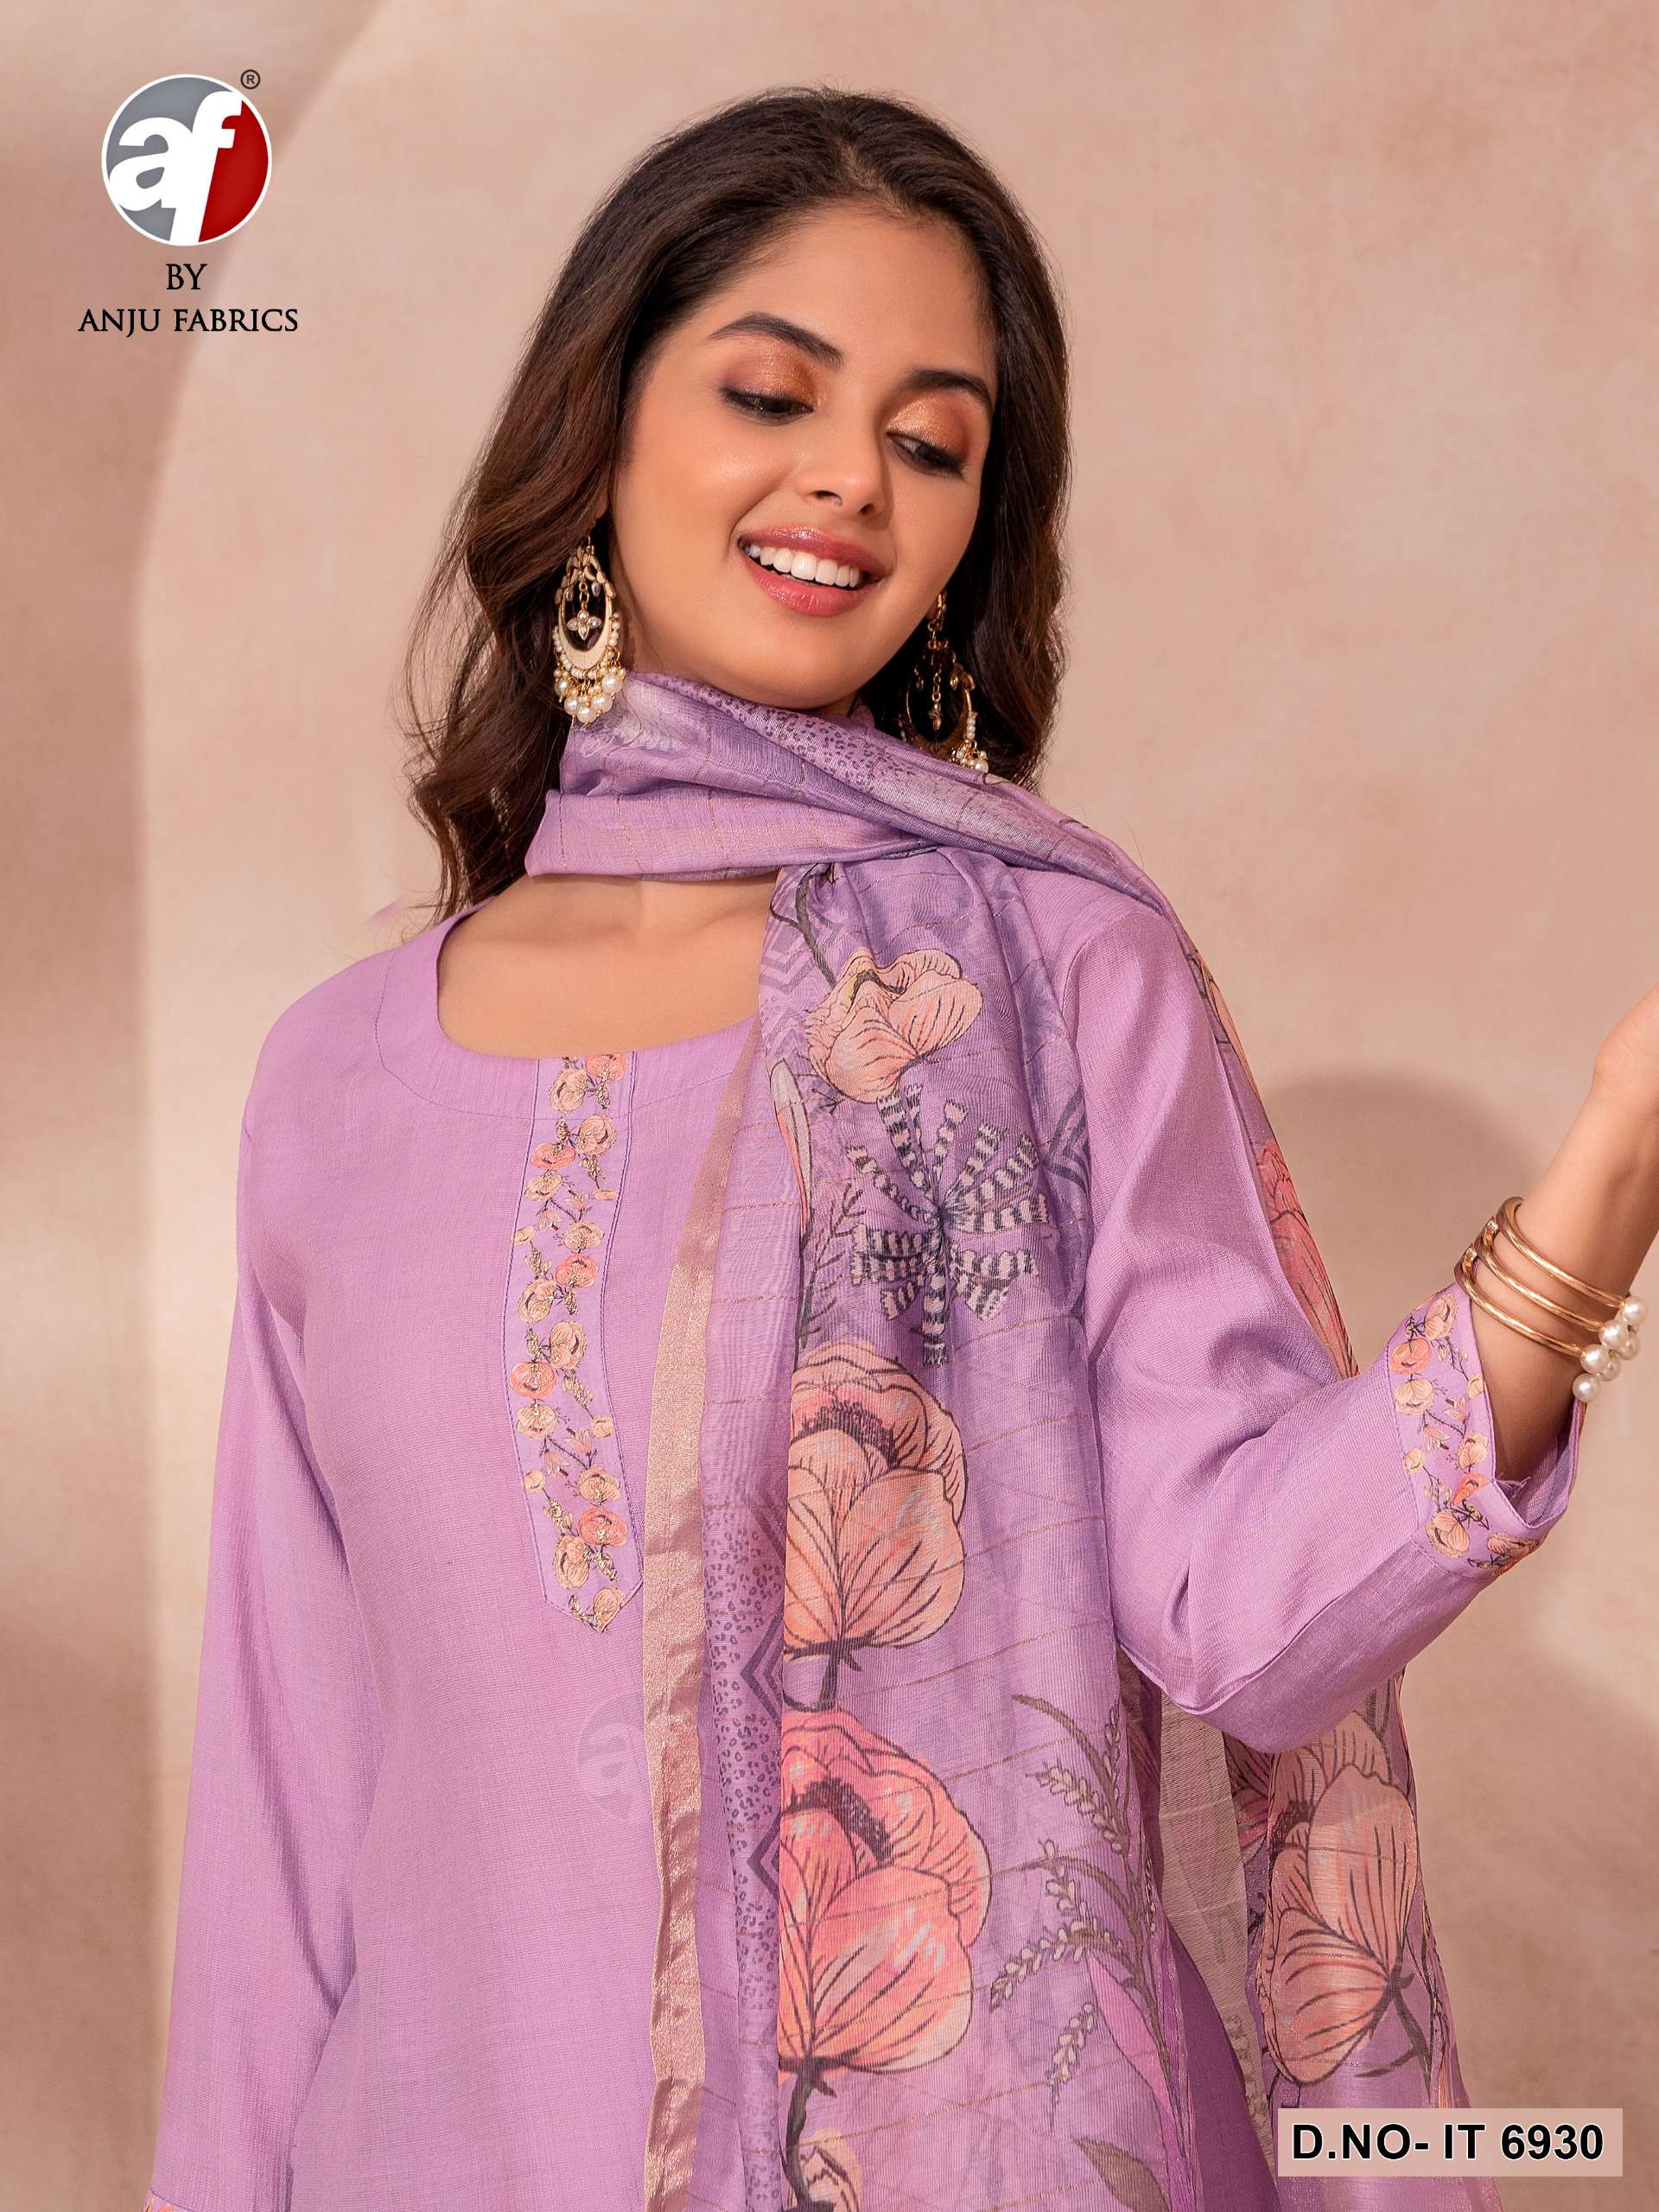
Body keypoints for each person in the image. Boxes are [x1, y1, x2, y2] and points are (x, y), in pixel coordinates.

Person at [141, 86, 1658, 2212]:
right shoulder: (335, 1076)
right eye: (773, 393)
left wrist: (1615, 1168)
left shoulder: (1053, 975)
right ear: (598, 437)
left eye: (932, 443)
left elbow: (1242, 1606)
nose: (852, 475)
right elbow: (283, 1821)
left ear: (963, 540)